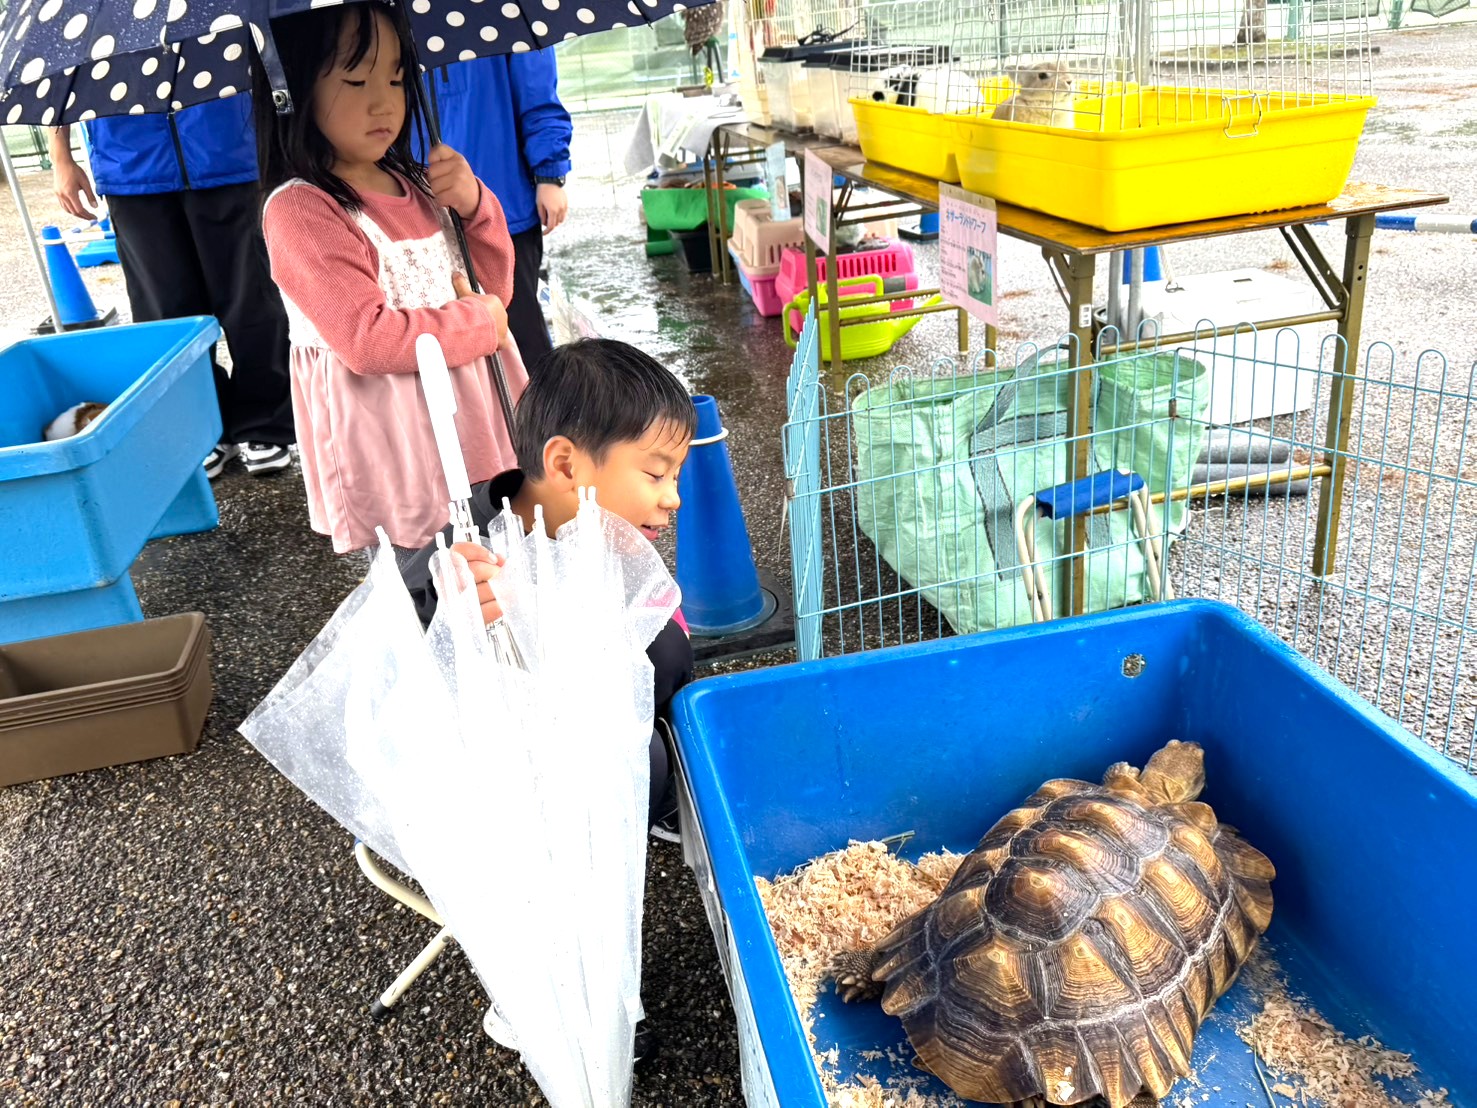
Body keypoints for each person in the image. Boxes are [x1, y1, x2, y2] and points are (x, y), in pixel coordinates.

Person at [254, 2, 526, 561]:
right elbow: (368, 339)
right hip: (397, 437)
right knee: (430, 573)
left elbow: (492, 287)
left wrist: (475, 207)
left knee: (497, 555)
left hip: (472, 414)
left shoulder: (420, 182)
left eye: (398, 78)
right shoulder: (302, 211)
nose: (384, 102)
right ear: (292, 91)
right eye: (355, 80)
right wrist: (481, 322)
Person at [400, 338, 695, 844]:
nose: (674, 497)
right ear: (565, 465)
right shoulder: (471, 556)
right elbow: (421, 666)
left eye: (677, 474)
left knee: (667, 646)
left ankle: (665, 793)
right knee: (640, 753)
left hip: (578, 681)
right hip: (508, 752)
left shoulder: (589, 523)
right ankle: (607, 841)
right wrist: (457, 616)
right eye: (655, 473)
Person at [49, 99, 295, 479]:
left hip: (229, 150)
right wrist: (60, 155)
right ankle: (200, 428)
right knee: (166, 314)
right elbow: (62, 74)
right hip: (131, 167)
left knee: (254, 304)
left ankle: (265, 424)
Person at [424, 52, 572, 369]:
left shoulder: (500, 11)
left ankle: (544, 417)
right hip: (424, 210)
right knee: (449, 337)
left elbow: (538, 91)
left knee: (519, 332)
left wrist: (550, 174)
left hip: (504, 204)